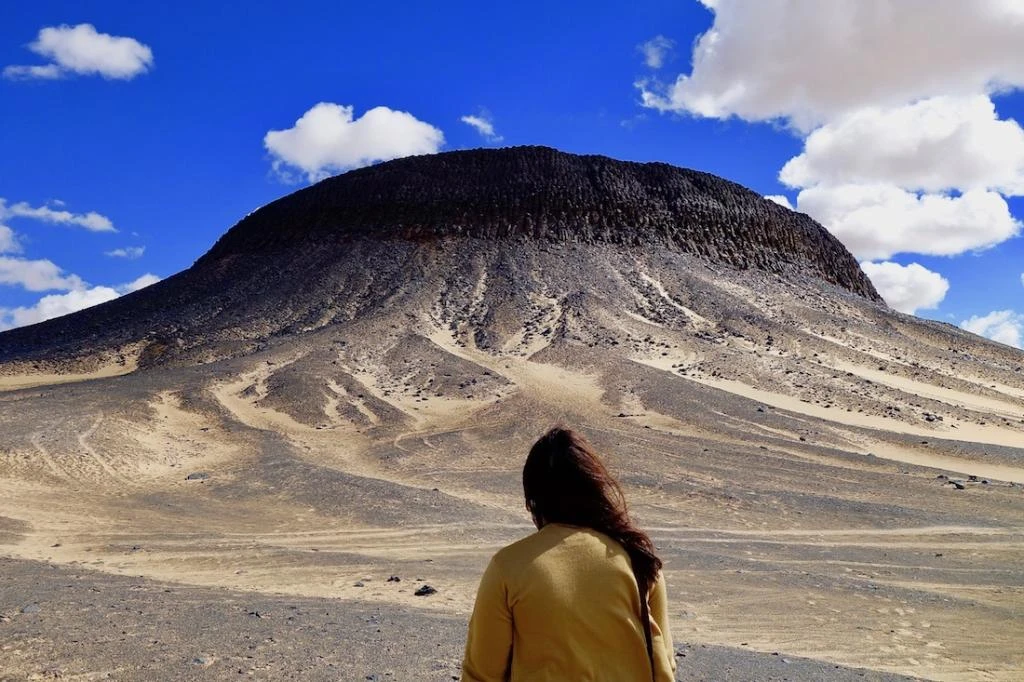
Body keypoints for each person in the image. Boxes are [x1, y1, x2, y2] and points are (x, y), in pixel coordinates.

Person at [461, 426, 676, 681]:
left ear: (533, 500)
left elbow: (482, 674)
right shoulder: (638, 561)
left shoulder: (509, 567)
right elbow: (665, 665)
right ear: (595, 489)